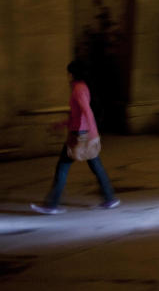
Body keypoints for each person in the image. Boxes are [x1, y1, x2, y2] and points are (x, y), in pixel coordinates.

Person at [31, 61, 120, 214]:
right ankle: (110, 198)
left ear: (73, 73)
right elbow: (78, 115)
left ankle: (52, 205)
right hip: (83, 133)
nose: (68, 75)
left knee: (62, 168)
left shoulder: (78, 89)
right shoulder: (83, 87)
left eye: (69, 72)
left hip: (79, 136)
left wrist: (93, 134)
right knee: (96, 166)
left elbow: (87, 111)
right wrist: (62, 124)